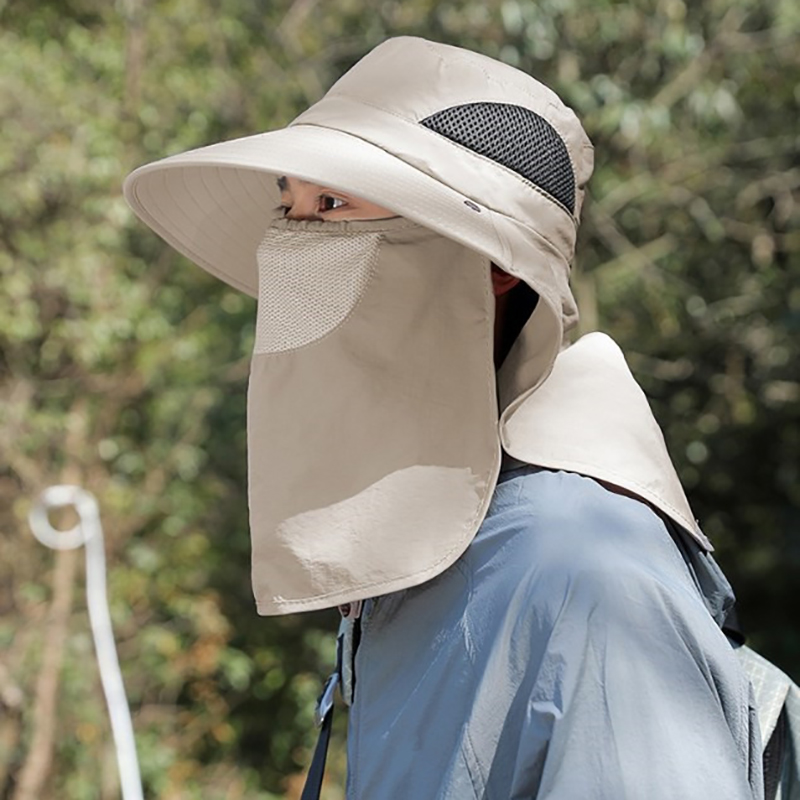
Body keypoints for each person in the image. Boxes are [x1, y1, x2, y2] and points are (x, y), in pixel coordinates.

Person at [123, 37, 767, 799]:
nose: (292, 241)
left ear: (493, 265)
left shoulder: (582, 572)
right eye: (288, 204)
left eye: (331, 205)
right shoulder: (435, 541)